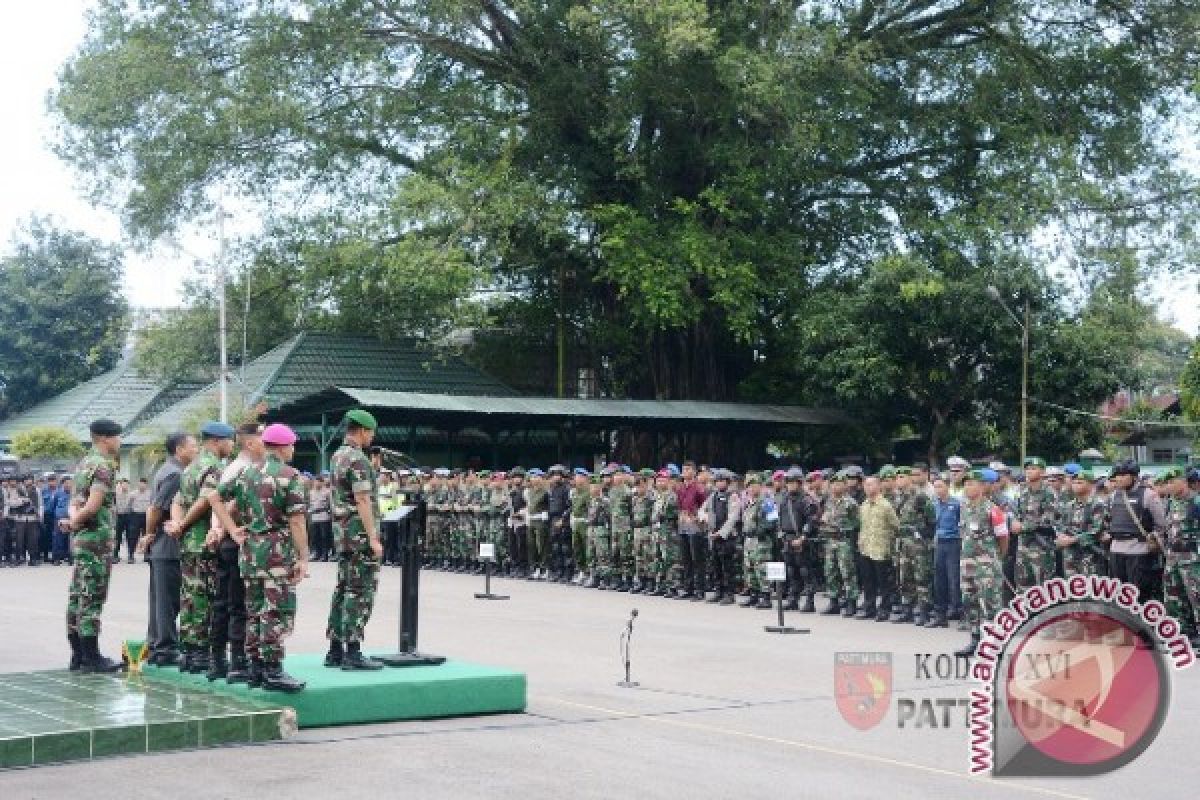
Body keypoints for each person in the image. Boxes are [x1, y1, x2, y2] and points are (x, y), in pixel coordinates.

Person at [208, 423, 309, 692]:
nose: (293, 450)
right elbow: (297, 521)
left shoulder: (246, 473)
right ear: (283, 446)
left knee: (255, 611)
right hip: (277, 553)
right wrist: (303, 557)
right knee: (277, 611)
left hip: (250, 553)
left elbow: (214, 498)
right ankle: (273, 669)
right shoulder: (290, 475)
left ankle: (255, 668)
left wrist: (231, 529)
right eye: (292, 445)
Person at [167, 421, 236, 674]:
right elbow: (206, 501)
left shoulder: (191, 466)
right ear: (217, 441)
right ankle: (200, 653)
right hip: (204, 540)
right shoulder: (214, 467)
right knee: (205, 597)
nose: (232, 445)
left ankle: (189, 652)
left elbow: (178, 500)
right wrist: (183, 524)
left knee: (189, 596)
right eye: (230, 441)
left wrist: (177, 524)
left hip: (188, 542)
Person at [324, 409, 385, 671]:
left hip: (342, 534)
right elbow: (362, 499)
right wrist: (373, 537)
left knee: (343, 589)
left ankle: (335, 649)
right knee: (360, 591)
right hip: (359, 535)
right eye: (371, 432)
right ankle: (353, 651)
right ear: (362, 430)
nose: (371, 437)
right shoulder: (358, 459)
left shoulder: (337, 455)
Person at [63, 418, 124, 673]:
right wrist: (74, 523)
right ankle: (92, 657)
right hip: (97, 540)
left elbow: (75, 502)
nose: (119, 442)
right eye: (117, 437)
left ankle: (77, 655)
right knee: (93, 596)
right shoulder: (102, 466)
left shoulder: (84, 464)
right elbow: (93, 505)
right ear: (105, 438)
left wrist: (72, 522)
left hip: (82, 540)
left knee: (78, 594)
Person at [141, 432, 196, 667]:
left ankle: (156, 645)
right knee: (168, 600)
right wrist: (150, 532)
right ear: (179, 449)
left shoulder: (166, 469)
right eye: (194, 446)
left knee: (160, 598)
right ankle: (165, 648)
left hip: (161, 544)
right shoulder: (175, 473)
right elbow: (155, 508)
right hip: (168, 543)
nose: (197, 450)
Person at [1104, 459, 1167, 604]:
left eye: (1123, 475)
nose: (1118, 478)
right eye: (1117, 475)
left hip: (1138, 551)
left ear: (1134, 476)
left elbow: (1162, 524)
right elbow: (1109, 519)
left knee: (1138, 596)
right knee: (1118, 595)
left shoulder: (1148, 495)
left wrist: (1153, 539)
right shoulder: (1114, 495)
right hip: (1116, 550)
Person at [891, 467, 936, 625]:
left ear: (910, 478)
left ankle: (924, 612)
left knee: (921, 577)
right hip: (903, 544)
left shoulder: (920, 497)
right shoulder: (897, 497)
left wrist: (923, 535)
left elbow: (931, 520)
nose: (899, 480)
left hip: (918, 545)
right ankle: (907, 610)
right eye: (897, 477)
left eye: (902, 477)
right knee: (905, 577)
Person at [1012, 457, 1061, 592]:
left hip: (1042, 546)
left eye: (1033, 468)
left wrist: (1023, 526)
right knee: (1023, 585)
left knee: (1045, 588)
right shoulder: (1023, 492)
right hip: (1023, 546)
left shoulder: (1049, 492)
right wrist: (1015, 522)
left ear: (1042, 472)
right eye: (1027, 468)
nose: (1029, 471)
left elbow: (1048, 519)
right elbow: (1017, 513)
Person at [857, 475, 899, 622]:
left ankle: (885, 609)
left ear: (878, 486)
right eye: (866, 485)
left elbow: (895, 525)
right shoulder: (864, 505)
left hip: (881, 549)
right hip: (866, 548)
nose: (868, 488)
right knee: (868, 581)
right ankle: (869, 608)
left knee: (883, 582)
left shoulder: (885, 505)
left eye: (871, 485)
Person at [819, 472, 860, 617]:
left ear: (844, 485)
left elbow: (857, 523)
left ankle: (851, 603)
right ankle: (833, 602)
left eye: (839, 483)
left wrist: (843, 529)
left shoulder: (850, 503)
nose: (836, 486)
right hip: (830, 542)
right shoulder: (828, 501)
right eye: (834, 484)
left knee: (847, 573)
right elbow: (824, 519)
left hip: (844, 541)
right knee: (830, 572)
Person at [702, 469, 743, 605]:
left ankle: (729, 593)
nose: (720, 483)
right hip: (713, 535)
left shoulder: (733, 496)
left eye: (722, 481)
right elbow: (702, 510)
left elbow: (733, 517)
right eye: (718, 481)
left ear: (727, 482)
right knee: (716, 565)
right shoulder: (713, 496)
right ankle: (718, 591)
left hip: (727, 537)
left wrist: (720, 533)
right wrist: (705, 519)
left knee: (727, 567)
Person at [737, 473, 776, 608]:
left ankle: (766, 597)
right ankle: (754, 594)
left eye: (755, 485)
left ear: (761, 486)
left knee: (762, 568)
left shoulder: (767, 501)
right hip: (749, 540)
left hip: (762, 541)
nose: (752, 489)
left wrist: (760, 529)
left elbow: (772, 520)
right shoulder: (748, 503)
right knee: (749, 568)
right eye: (749, 486)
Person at [928, 476, 962, 629]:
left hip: (953, 543)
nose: (937, 490)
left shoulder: (956, 504)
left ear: (947, 487)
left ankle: (959, 611)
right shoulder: (933, 504)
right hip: (939, 544)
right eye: (935, 487)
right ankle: (940, 614)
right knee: (939, 580)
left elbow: (962, 525)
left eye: (940, 486)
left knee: (954, 580)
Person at [676, 461, 708, 600]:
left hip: (695, 525)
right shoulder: (681, 488)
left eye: (688, 469)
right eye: (683, 469)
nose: (685, 471)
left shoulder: (699, 488)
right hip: (683, 524)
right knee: (686, 558)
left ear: (694, 472)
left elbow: (704, 507)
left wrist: (697, 518)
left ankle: (699, 589)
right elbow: (679, 505)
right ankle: (688, 587)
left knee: (697, 559)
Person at [10, 474, 42, 566]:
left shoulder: (37, 490)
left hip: (33, 518)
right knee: (19, 540)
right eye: (27, 480)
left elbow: (40, 504)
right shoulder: (16, 490)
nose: (29, 481)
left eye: (30, 479)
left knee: (33, 540)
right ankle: (18, 559)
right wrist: (22, 501)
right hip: (20, 518)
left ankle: (33, 559)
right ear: (23, 481)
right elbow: (11, 503)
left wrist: (40, 516)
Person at [309, 473, 333, 562]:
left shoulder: (327, 492)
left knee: (324, 537)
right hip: (314, 516)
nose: (317, 483)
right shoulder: (311, 492)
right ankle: (316, 553)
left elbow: (330, 505)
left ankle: (324, 554)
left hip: (324, 516)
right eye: (316, 481)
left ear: (322, 483)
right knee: (315, 537)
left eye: (319, 482)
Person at [127, 478, 152, 563]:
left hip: (146, 516)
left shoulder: (150, 494)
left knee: (147, 535)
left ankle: (147, 555)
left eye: (143, 484)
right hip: (135, 516)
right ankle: (131, 555)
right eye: (140, 483)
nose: (141, 485)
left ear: (146, 485)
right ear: (138, 484)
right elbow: (128, 505)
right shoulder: (133, 494)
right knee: (133, 536)